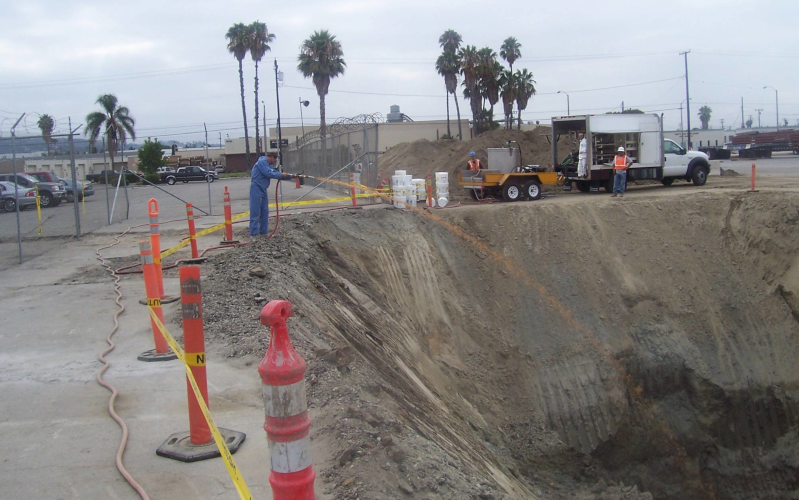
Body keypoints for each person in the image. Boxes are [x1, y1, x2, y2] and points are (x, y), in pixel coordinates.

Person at [249, 152, 294, 238]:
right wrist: (281, 175)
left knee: (265, 211)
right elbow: (269, 173)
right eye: (275, 159)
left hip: (263, 189)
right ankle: (253, 234)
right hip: (256, 188)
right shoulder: (262, 162)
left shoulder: (267, 165)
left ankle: (263, 232)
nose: (275, 161)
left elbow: (273, 172)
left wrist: (289, 176)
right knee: (255, 212)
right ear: (271, 157)